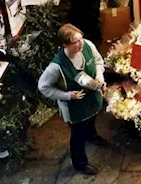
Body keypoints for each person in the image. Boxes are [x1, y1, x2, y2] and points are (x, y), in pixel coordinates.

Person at [38, 24, 107, 175]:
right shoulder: (56, 67)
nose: (81, 43)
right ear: (65, 44)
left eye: (80, 39)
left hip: (92, 99)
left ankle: (92, 136)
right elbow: (43, 87)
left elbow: (98, 62)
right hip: (75, 108)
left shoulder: (88, 45)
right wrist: (68, 96)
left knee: (91, 120)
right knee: (77, 136)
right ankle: (80, 164)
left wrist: (99, 78)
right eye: (75, 42)